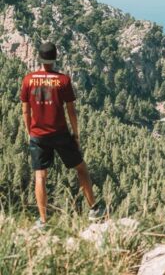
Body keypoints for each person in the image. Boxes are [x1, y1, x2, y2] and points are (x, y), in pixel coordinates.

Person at [20, 42, 104, 229]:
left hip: (38, 135)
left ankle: (43, 221)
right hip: (60, 134)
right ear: (55, 58)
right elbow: (71, 111)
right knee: (81, 169)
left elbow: (25, 111)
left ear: (39, 58)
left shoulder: (28, 80)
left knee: (40, 176)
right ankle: (94, 210)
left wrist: (30, 132)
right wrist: (76, 134)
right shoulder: (63, 80)